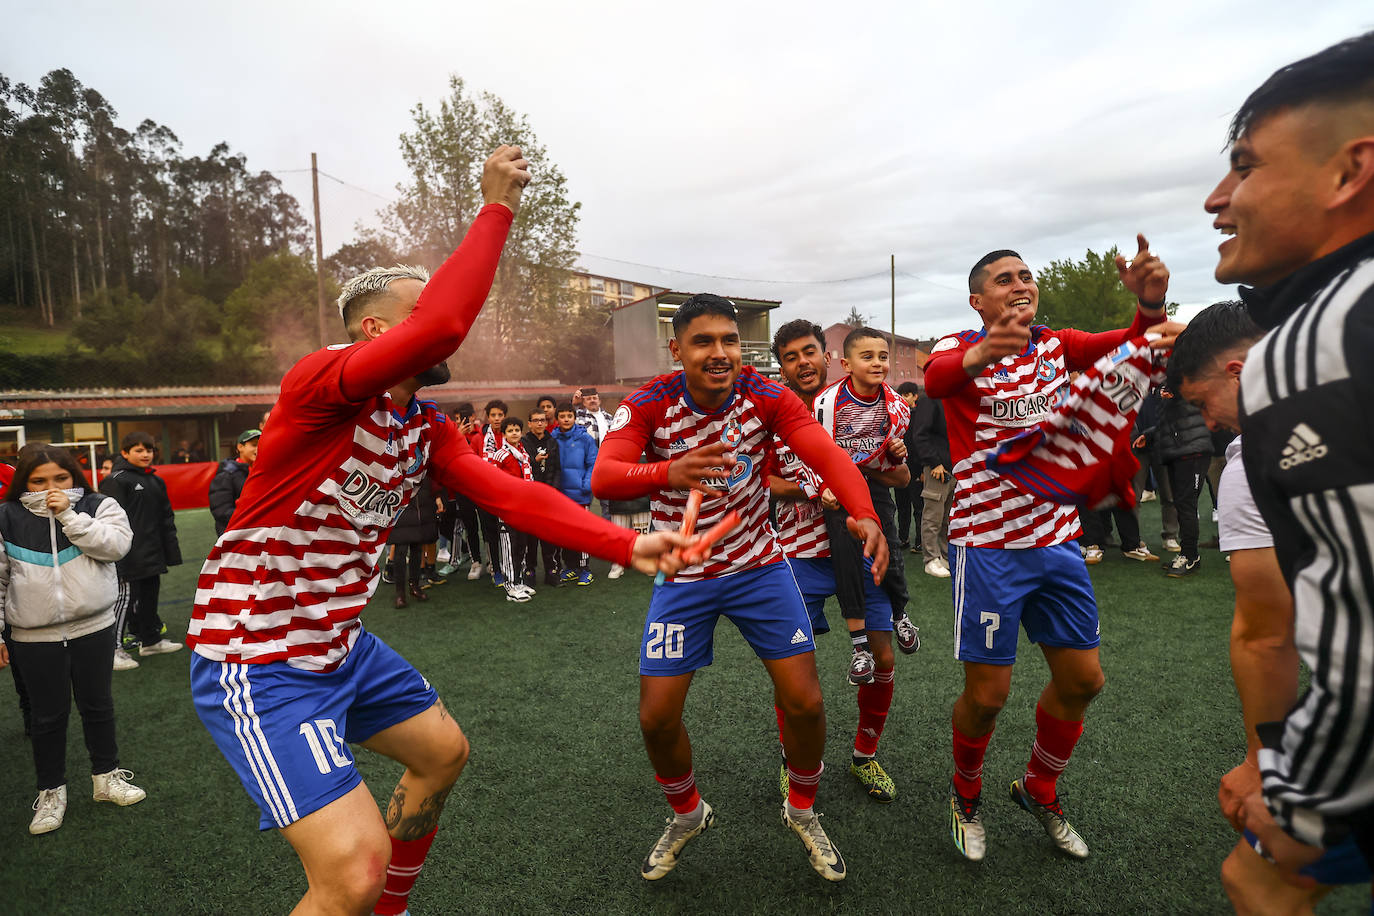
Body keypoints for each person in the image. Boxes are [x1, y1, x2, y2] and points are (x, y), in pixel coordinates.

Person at [184, 147, 688, 916]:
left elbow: (512, 498)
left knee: (442, 753)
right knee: (350, 871)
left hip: (340, 646)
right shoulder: (320, 386)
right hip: (258, 657)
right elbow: (448, 318)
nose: (451, 330)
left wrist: (626, 543)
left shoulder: (422, 426)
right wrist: (495, 207)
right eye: (424, 316)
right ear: (381, 331)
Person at [592, 294, 889, 883]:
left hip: (760, 567)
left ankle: (802, 809)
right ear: (677, 350)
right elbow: (604, 477)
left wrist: (865, 514)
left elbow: (826, 454)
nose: (721, 352)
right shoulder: (649, 402)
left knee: (805, 702)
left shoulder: (766, 394)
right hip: (685, 577)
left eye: (730, 339)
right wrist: (665, 471)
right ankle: (687, 814)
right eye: (704, 342)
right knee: (655, 718)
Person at [926, 238, 1173, 862]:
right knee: (987, 696)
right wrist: (986, 351)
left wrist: (1149, 303)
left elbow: (1133, 342)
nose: (1020, 285)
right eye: (1004, 279)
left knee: (1085, 680)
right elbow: (936, 381)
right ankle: (965, 795)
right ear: (978, 300)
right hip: (987, 548)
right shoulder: (956, 349)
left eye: (1026, 276)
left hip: (1058, 545)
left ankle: (1039, 786)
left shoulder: (1057, 345)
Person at [1205, 31, 1374, 883]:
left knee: (1261, 877)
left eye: (1245, 166)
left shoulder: (1317, 345)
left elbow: (1364, 612)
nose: (1216, 197)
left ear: (1349, 172)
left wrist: (1298, 792)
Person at [1171, 301, 1373, 911]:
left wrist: (1266, 762)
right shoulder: (1351, 378)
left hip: (1358, 719)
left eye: (1203, 405)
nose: (1213, 423)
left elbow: (1265, 633)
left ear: (1237, 373)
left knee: (1261, 879)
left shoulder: (1259, 461)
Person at [768, 318, 916, 806]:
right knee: (796, 676)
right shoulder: (768, 414)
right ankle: (795, 762)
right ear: (782, 365)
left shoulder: (863, 408)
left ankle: (865, 756)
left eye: (809, 352)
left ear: (827, 357)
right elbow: (763, 482)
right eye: (791, 357)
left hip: (858, 547)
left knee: (883, 658)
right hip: (799, 555)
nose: (802, 363)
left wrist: (891, 460)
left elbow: (897, 481)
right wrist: (813, 488)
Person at [0, 443, 146, 836]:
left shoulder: (99, 505)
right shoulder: (6, 517)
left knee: (98, 706)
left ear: (74, 477)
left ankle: (106, 778)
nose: (51, 486)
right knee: (47, 716)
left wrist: (67, 513)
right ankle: (51, 793)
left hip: (94, 627)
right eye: (39, 480)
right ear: (23, 482)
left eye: (60, 478)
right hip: (32, 636)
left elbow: (116, 547)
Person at [811, 327, 913, 687]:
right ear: (845, 364)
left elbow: (896, 462)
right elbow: (818, 451)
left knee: (890, 548)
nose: (878, 363)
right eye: (867, 356)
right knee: (846, 558)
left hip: (874, 485)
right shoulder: (827, 403)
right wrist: (825, 487)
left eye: (883, 356)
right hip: (839, 490)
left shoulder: (896, 404)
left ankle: (901, 613)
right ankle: (859, 648)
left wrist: (896, 451)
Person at [98, 431, 183, 660]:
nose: (146, 454)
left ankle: (150, 641)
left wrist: (169, 551)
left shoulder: (155, 480)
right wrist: (119, 555)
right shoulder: (116, 481)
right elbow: (109, 521)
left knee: (149, 598)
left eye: (149, 450)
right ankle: (113, 651)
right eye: (139, 450)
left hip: (152, 554)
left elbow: (166, 517)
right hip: (128, 555)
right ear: (125, 453)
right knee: (124, 603)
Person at [1135, 388, 1212, 577]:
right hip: (1177, 452)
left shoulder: (1191, 381)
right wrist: (1151, 435)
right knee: (1180, 503)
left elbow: (1201, 405)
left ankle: (1190, 555)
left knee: (1187, 505)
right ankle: (1188, 553)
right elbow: (1171, 420)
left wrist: (1178, 393)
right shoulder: (1172, 383)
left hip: (1193, 452)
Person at [910, 381, 955, 578]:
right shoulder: (930, 398)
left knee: (948, 518)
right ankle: (930, 558)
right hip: (938, 468)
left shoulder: (954, 397)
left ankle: (945, 556)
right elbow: (919, 434)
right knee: (932, 516)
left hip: (955, 468)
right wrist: (933, 462)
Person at [550, 402, 598, 586]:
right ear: (557, 419)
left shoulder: (585, 438)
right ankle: (570, 567)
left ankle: (585, 569)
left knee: (582, 533)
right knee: (564, 534)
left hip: (580, 494)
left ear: (574, 417)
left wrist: (585, 485)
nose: (566, 419)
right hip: (560, 495)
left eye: (569, 416)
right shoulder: (552, 438)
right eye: (562, 416)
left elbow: (592, 463)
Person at [490, 417, 535, 602]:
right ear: (504, 434)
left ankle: (520, 580)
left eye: (517, 430)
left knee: (521, 546)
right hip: (508, 509)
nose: (514, 433)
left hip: (524, 508)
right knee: (509, 547)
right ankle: (510, 587)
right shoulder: (500, 455)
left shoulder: (525, 454)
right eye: (510, 430)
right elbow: (493, 481)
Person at [521, 409, 562, 588]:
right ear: (529, 423)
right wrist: (534, 460)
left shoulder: (552, 441)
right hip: (530, 497)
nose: (539, 423)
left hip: (548, 497)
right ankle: (529, 572)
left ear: (546, 423)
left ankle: (551, 572)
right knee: (530, 538)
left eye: (542, 420)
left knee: (549, 536)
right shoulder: (523, 442)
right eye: (535, 420)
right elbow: (521, 465)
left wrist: (551, 491)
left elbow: (556, 469)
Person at [388, 475, 440, 608]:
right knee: (400, 551)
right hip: (400, 503)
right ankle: (400, 592)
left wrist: (438, 496)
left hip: (421, 505)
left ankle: (414, 586)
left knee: (417, 549)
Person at [208, 429, 260, 537]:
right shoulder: (226, 475)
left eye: (261, 445)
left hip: (259, 536)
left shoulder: (263, 472)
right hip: (236, 539)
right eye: (254, 445)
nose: (258, 449)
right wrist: (252, 517)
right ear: (240, 447)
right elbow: (221, 511)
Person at [892, 382, 922, 550]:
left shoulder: (920, 417)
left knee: (919, 507)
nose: (903, 398)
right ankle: (903, 538)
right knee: (902, 507)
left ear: (915, 396)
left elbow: (921, 444)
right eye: (901, 394)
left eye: (907, 395)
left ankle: (920, 541)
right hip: (899, 469)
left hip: (916, 469)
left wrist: (923, 468)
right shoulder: (897, 417)